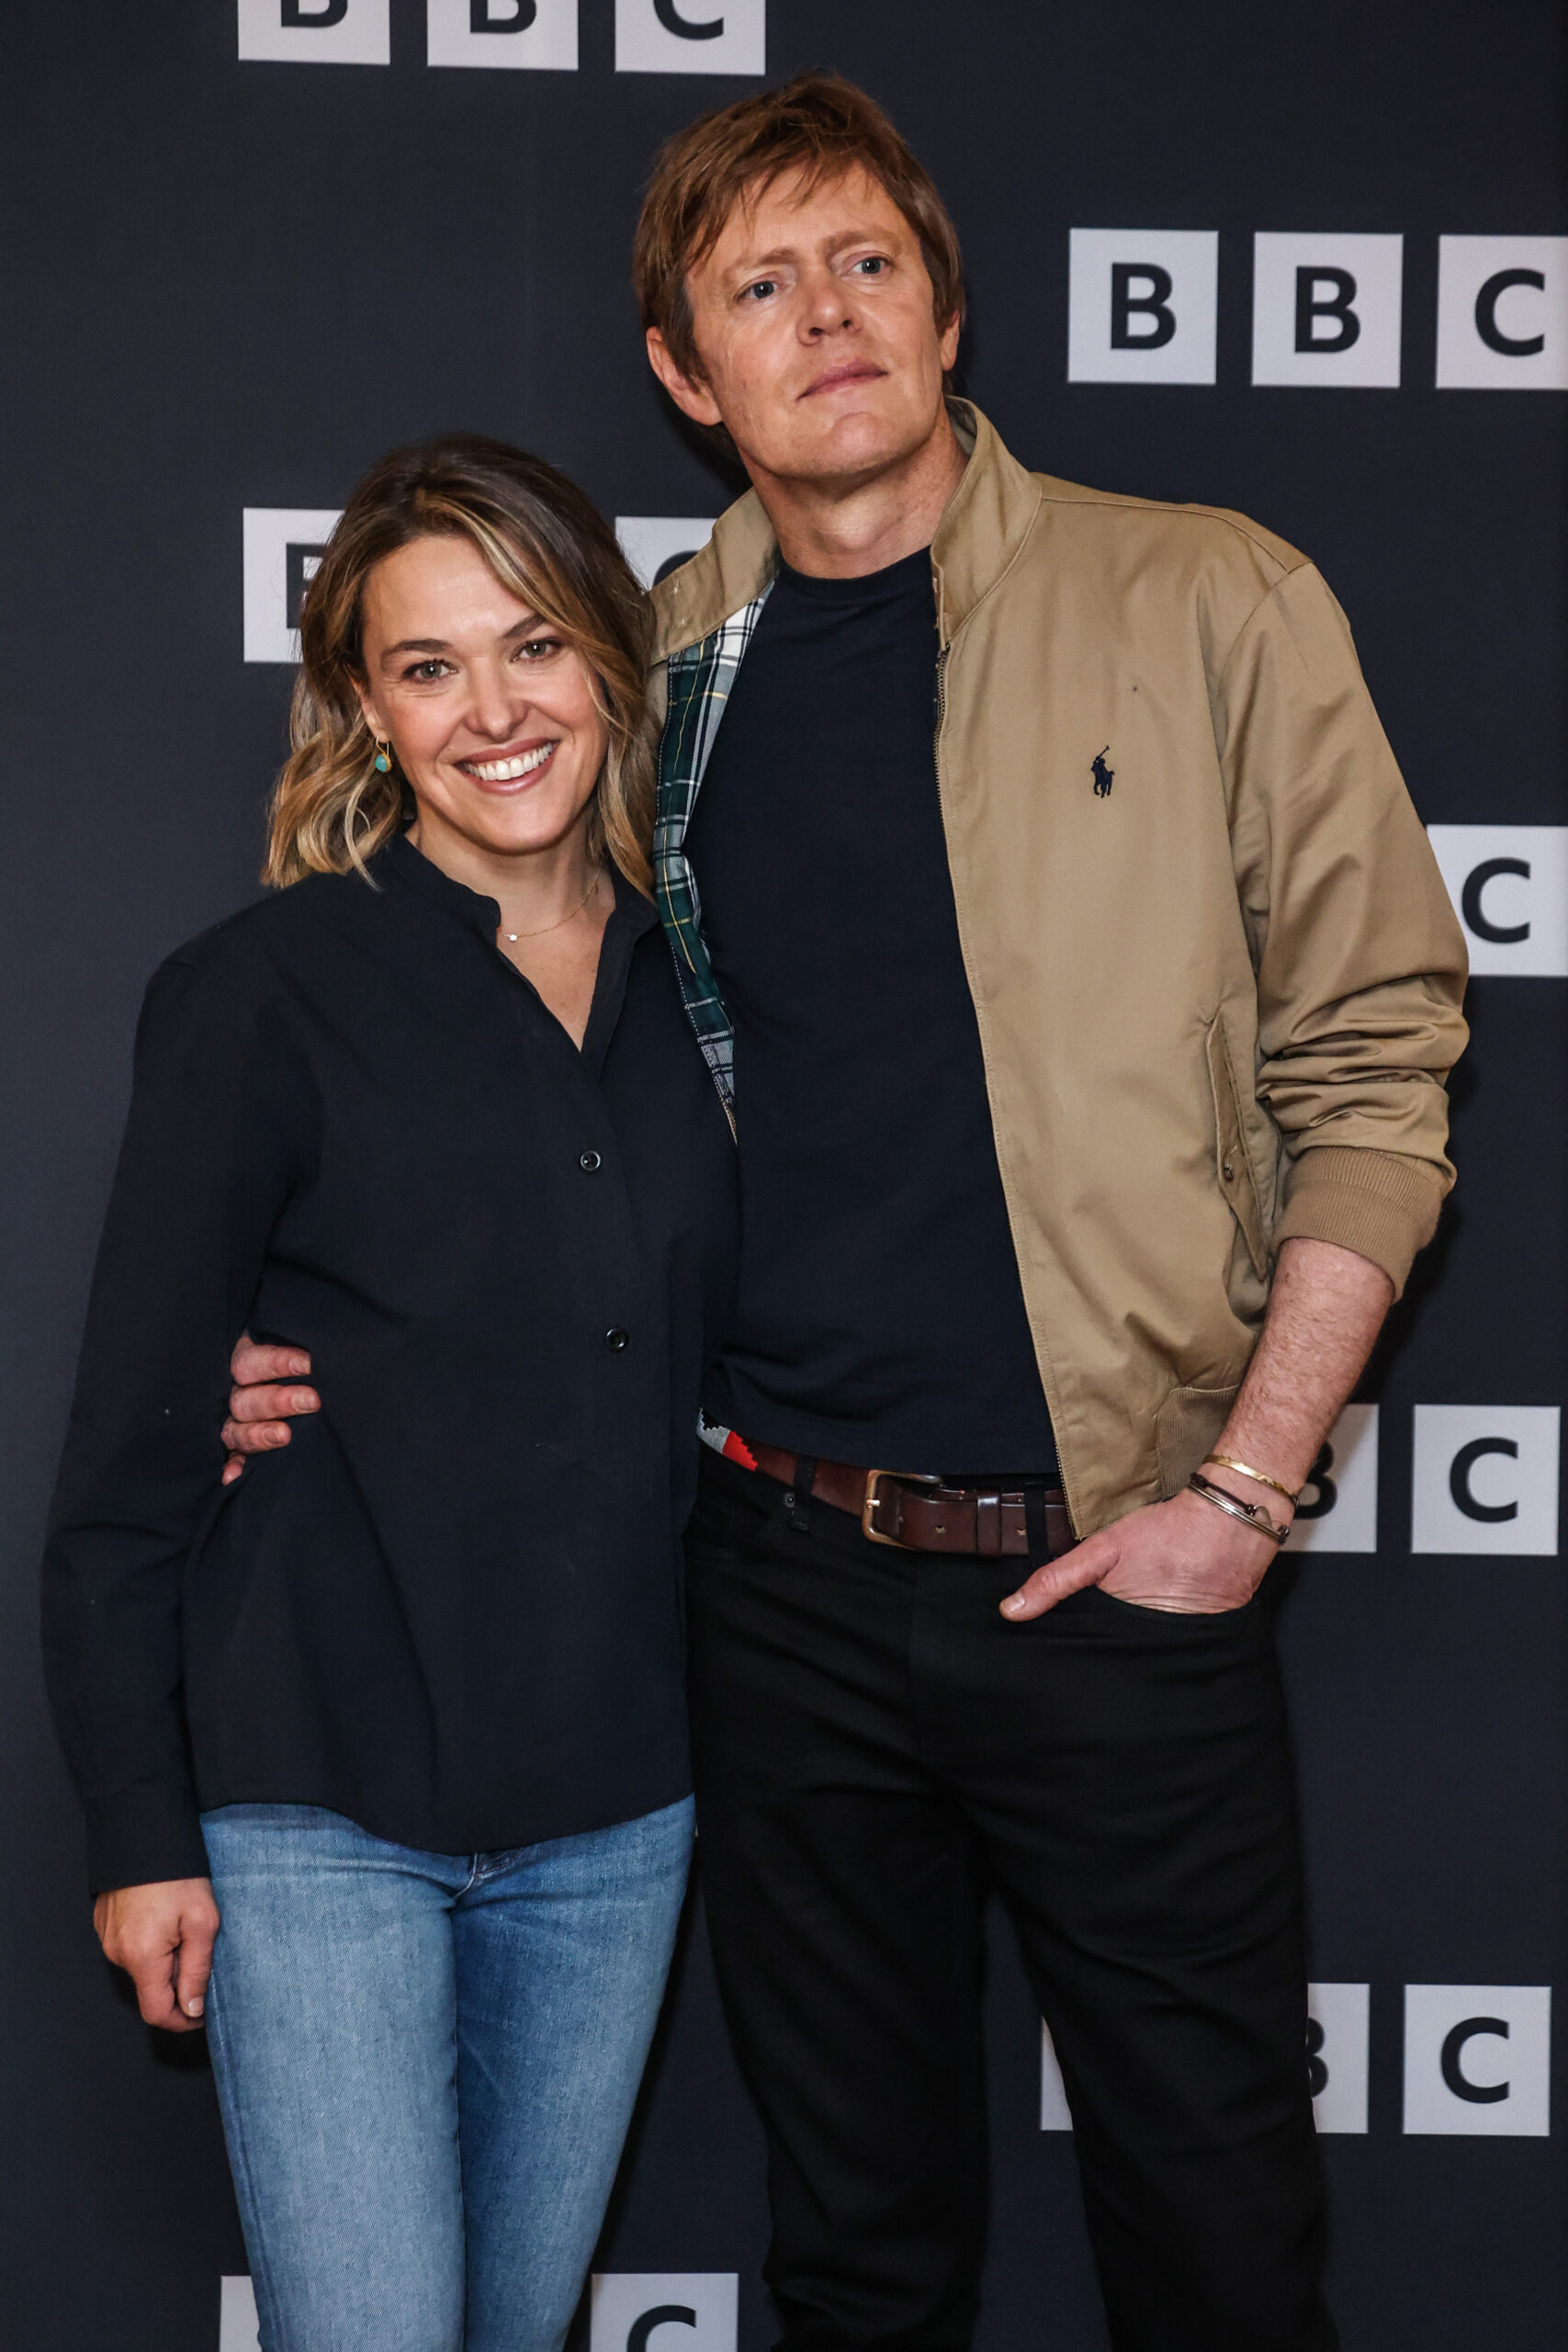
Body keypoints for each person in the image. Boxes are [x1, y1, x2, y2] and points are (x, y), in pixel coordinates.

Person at [224, 73, 1469, 2352]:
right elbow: (437, 969)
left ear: (946, 304)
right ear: (687, 381)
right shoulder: (652, 661)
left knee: (1215, 2240)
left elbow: (1379, 1062)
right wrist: (263, 1291)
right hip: (775, 1579)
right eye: (759, 286)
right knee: (856, 2254)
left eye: (866, 262)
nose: (827, 319)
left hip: (1119, 1568)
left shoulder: (1203, 593)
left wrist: (1243, 1485)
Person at [42, 436, 738, 2352]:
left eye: (530, 647)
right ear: (364, 701)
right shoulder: (258, 993)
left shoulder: (716, 992)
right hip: (317, 1809)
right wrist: (135, 1822)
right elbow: (122, 1459)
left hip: (615, 1814)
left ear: (606, 654)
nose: (492, 711)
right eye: (428, 666)